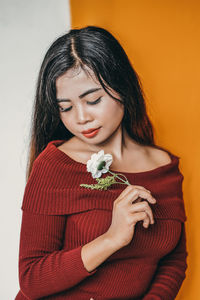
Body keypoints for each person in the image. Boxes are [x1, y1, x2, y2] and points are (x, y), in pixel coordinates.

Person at [15, 25, 188, 300]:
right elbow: (32, 278)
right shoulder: (54, 165)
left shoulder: (164, 167)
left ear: (123, 87)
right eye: (66, 107)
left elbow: (174, 261)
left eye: (93, 100)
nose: (81, 118)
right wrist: (112, 239)